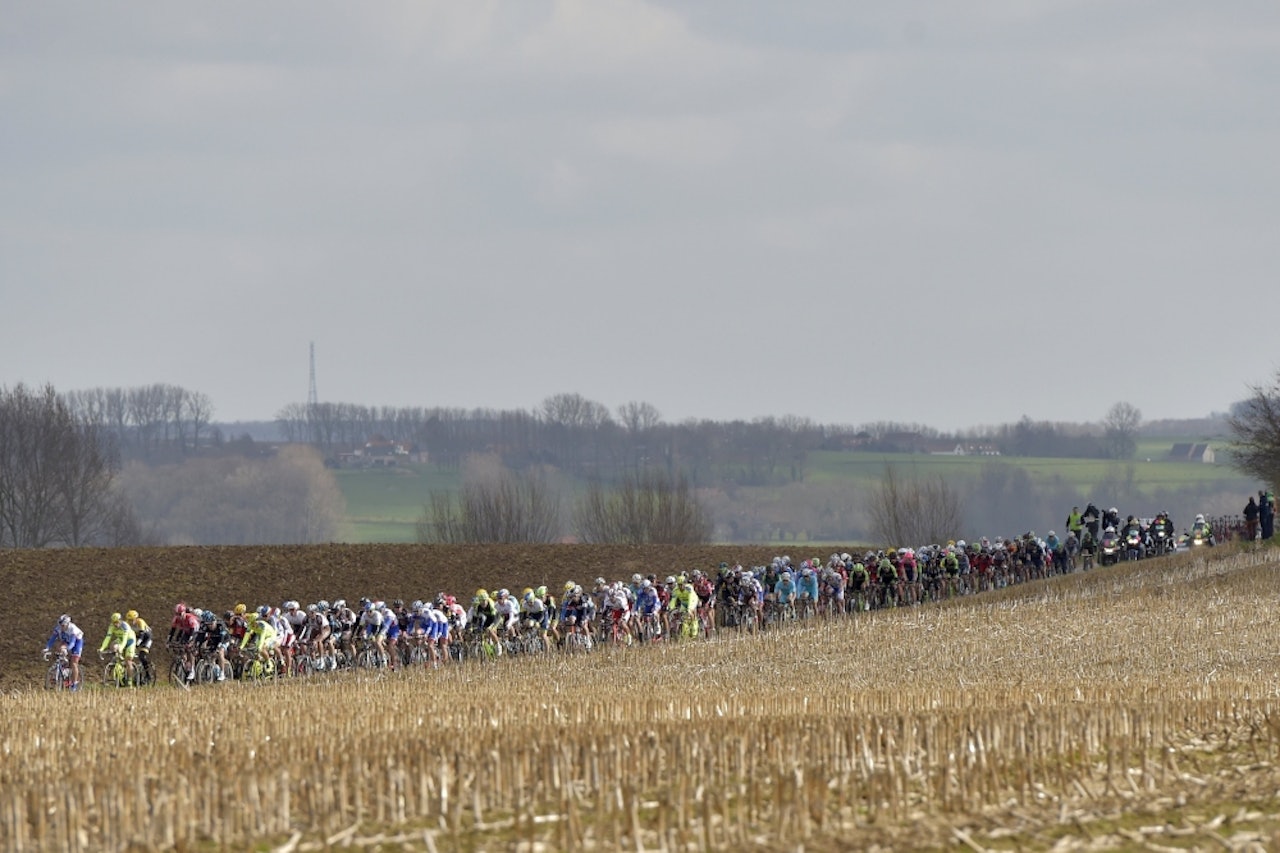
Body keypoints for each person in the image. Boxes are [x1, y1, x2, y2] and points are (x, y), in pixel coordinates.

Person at [45, 614, 84, 690]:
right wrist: (47, 648)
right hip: (66, 641)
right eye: (60, 625)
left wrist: (67, 649)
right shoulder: (58, 628)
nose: (61, 628)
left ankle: (74, 684)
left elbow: (72, 643)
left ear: (67, 624)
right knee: (59, 647)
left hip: (77, 643)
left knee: (74, 662)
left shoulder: (73, 629)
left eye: (63, 626)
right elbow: (52, 639)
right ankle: (63, 666)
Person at [99, 612, 138, 684]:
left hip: (130, 640)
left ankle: (130, 680)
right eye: (114, 622)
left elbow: (125, 640)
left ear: (120, 620)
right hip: (120, 639)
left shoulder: (125, 626)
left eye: (117, 622)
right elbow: (107, 638)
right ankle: (117, 663)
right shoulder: (111, 626)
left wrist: (120, 648)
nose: (115, 624)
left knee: (128, 660)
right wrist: (102, 648)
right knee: (112, 645)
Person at [126, 609, 154, 683]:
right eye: (129, 620)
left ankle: (148, 674)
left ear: (136, 619)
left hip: (147, 638)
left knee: (142, 656)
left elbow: (142, 636)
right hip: (137, 637)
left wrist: (137, 644)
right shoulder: (127, 623)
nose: (131, 622)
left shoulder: (140, 622)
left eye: (132, 620)